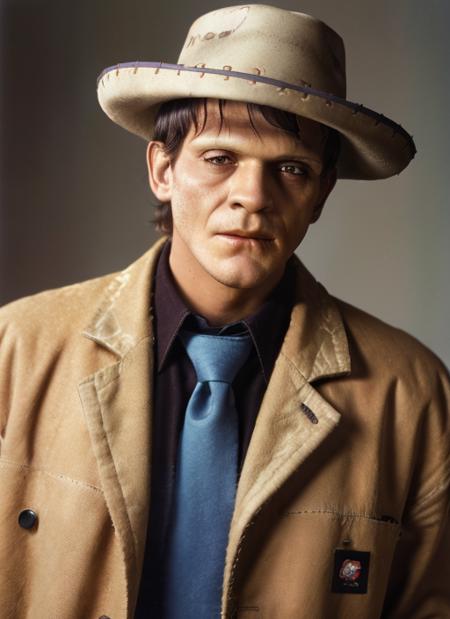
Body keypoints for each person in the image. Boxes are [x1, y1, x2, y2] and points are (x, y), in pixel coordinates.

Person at [0, 4, 448, 618]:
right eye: (220, 159)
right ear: (163, 168)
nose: (253, 197)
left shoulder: (410, 392)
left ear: (320, 194)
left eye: (291, 169)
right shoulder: (17, 349)